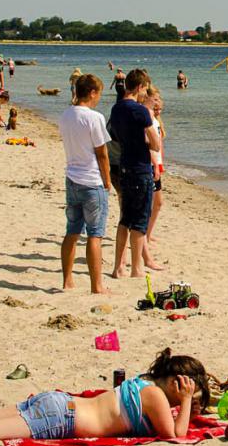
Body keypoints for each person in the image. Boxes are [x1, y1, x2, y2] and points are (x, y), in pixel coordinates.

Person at [0, 348, 208, 446]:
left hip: (57, 403)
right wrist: (188, 402)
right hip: (61, 418)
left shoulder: (141, 383)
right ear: (179, 383)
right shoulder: (157, 399)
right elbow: (173, 435)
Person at [58, 74, 113, 294]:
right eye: (98, 93)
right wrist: (107, 181)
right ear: (92, 93)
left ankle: (67, 280)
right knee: (95, 234)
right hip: (91, 180)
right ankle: (96, 285)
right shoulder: (94, 117)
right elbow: (102, 153)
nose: (99, 98)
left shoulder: (65, 115)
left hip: (72, 177)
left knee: (72, 231)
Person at [108, 69, 162, 279]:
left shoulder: (116, 108)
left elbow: (118, 136)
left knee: (125, 219)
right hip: (140, 168)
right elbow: (156, 145)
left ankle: (117, 267)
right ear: (140, 87)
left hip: (124, 165)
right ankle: (136, 268)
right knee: (139, 222)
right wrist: (148, 115)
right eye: (145, 89)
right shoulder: (139, 111)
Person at [144, 87, 166, 258]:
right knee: (155, 203)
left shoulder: (157, 120)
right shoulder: (148, 120)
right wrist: (155, 165)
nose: (159, 103)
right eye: (156, 100)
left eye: (159, 101)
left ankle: (147, 234)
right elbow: (149, 145)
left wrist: (160, 164)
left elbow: (159, 145)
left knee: (157, 203)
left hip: (156, 164)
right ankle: (144, 235)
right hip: (152, 165)